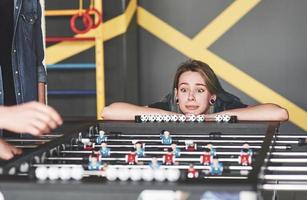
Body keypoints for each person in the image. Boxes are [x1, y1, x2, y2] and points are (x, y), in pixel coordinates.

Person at [101, 59, 289, 121]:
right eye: (183, 90)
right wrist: (175, 117)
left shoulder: (225, 106)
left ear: (212, 96)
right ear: (176, 94)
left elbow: (279, 113)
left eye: (199, 90)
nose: (190, 97)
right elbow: (108, 111)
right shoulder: (167, 107)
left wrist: (210, 118)